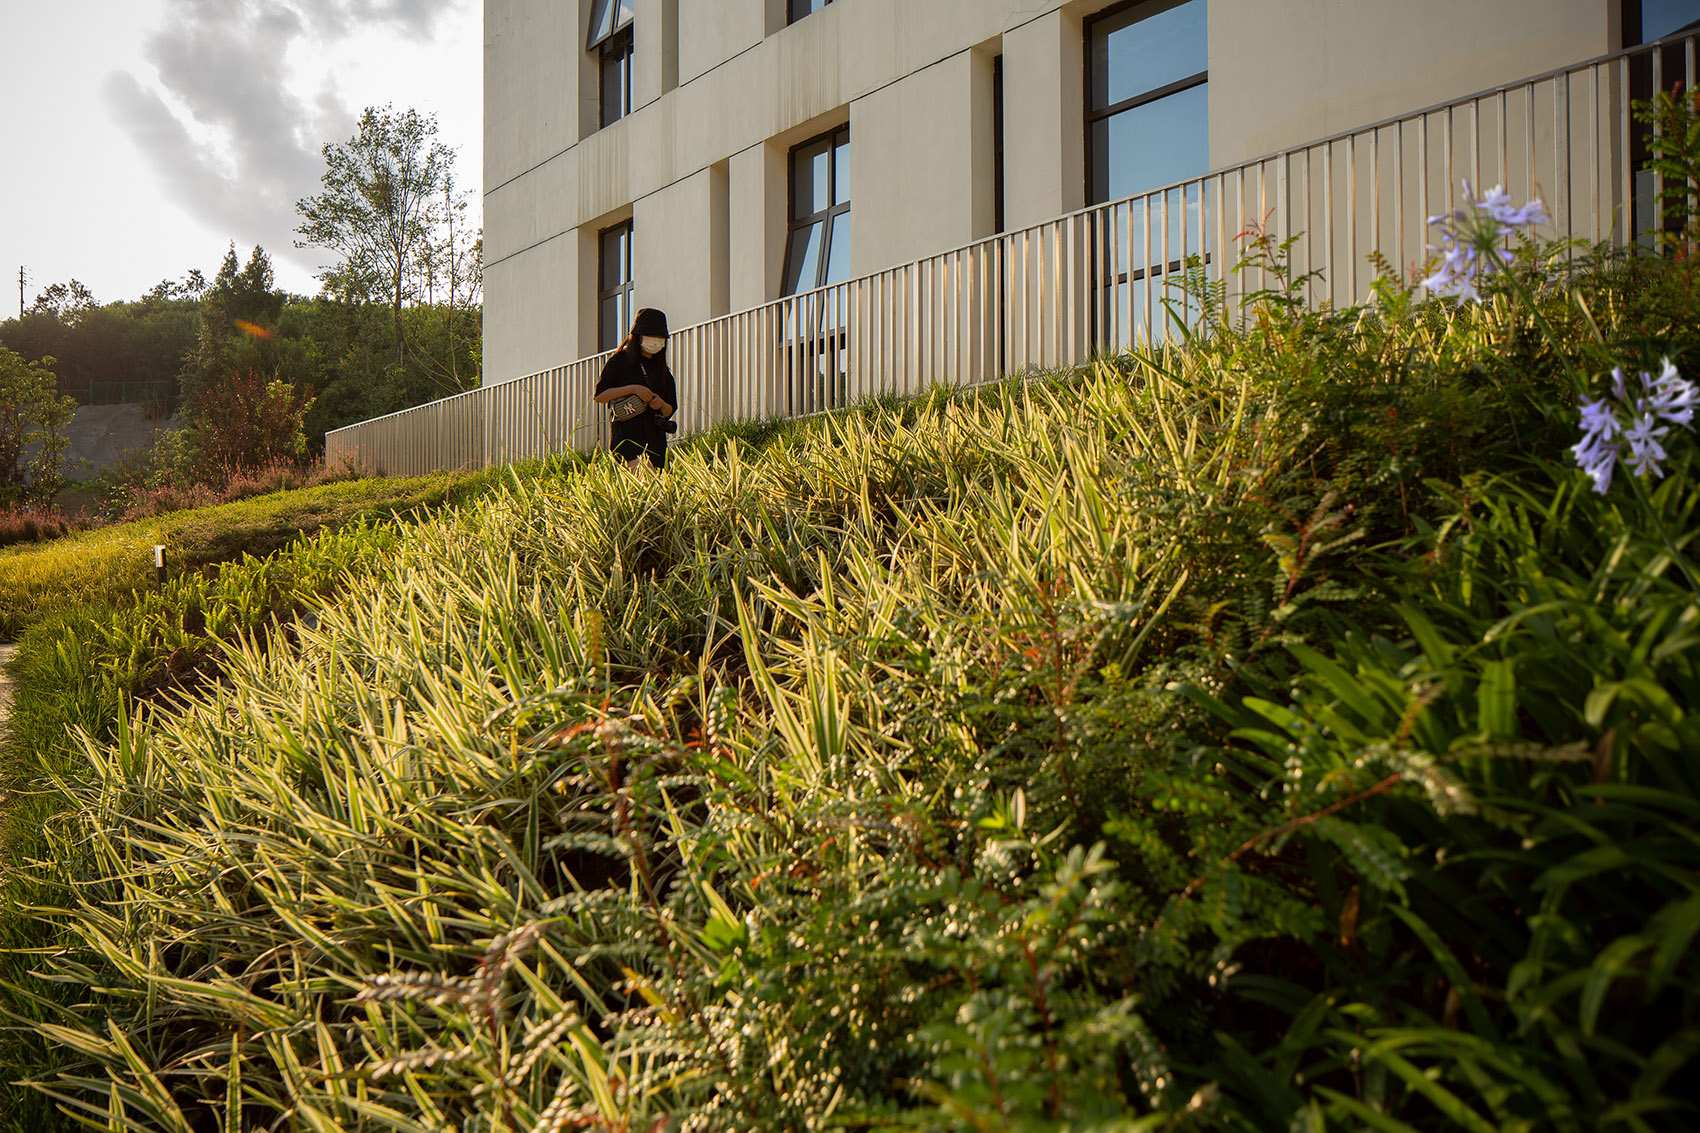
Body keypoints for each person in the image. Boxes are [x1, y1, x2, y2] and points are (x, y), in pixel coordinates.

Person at [593, 308, 677, 471]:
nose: (657, 342)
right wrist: (633, 389)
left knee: (656, 489)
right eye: (652, 336)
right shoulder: (619, 361)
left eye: (661, 338)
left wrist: (659, 403)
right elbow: (600, 396)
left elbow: (669, 410)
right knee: (641, 480)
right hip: (627, 439)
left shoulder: (663, 371)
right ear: (638, 336)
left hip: (655, 442)